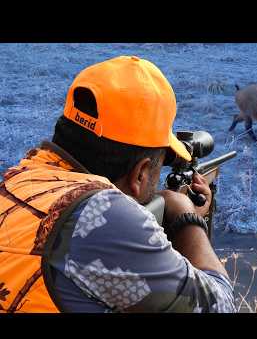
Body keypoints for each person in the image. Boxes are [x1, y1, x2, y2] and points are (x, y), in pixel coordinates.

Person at [0, 55, 236, 313]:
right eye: (158, 167)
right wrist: (188, 219)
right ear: (140, 174)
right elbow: (220, 306)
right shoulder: (105, 215)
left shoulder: (19, 179)